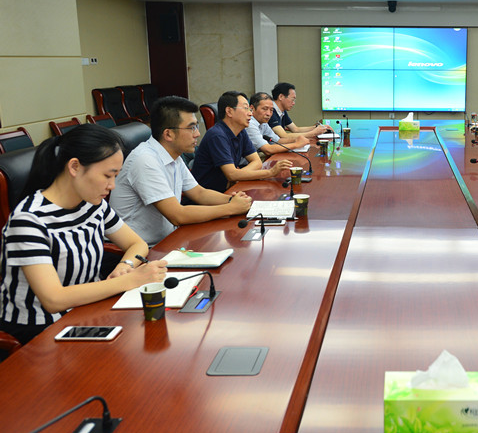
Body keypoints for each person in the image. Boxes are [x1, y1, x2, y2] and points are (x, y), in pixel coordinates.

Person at [0, 124, 168, 346]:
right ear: (75, 167)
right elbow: (53, 299)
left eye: (116, 176)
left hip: (86, 311)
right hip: (39, 329)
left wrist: (125, 265)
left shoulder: (93, 205)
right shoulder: (29, 220)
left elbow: (137, 243)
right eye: (107, 175)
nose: (112, 186)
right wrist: (130, 280)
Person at [110, 96, 253, 246]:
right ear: (168, 134)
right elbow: (177, 215)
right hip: (142, 248)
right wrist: (230, 208)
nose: (197, 134)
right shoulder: (145, 160)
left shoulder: (173, 155)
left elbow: (199, 193)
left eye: (196, 126)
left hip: (170, 239)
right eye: (191, 128)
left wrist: (232, 200)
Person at [192, 91, 293, 193]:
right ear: (229, 111)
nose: (250, 113)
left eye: (250, 109)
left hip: (230, 189)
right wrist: (270, 172)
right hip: (208, 196)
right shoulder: (217, 135)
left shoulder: (241, 132)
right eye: (245, 108)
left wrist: (238, 175)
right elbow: (232, 174)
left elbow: (257, 162)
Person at [246, 92, 309, 157]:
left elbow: (277, 141)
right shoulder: (250, 123)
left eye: (271, 110)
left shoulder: (263, 123)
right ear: (252, 108)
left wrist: (295, 139)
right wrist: (296, 144)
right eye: (265, 109)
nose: (268, 114)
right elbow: (268, 150)